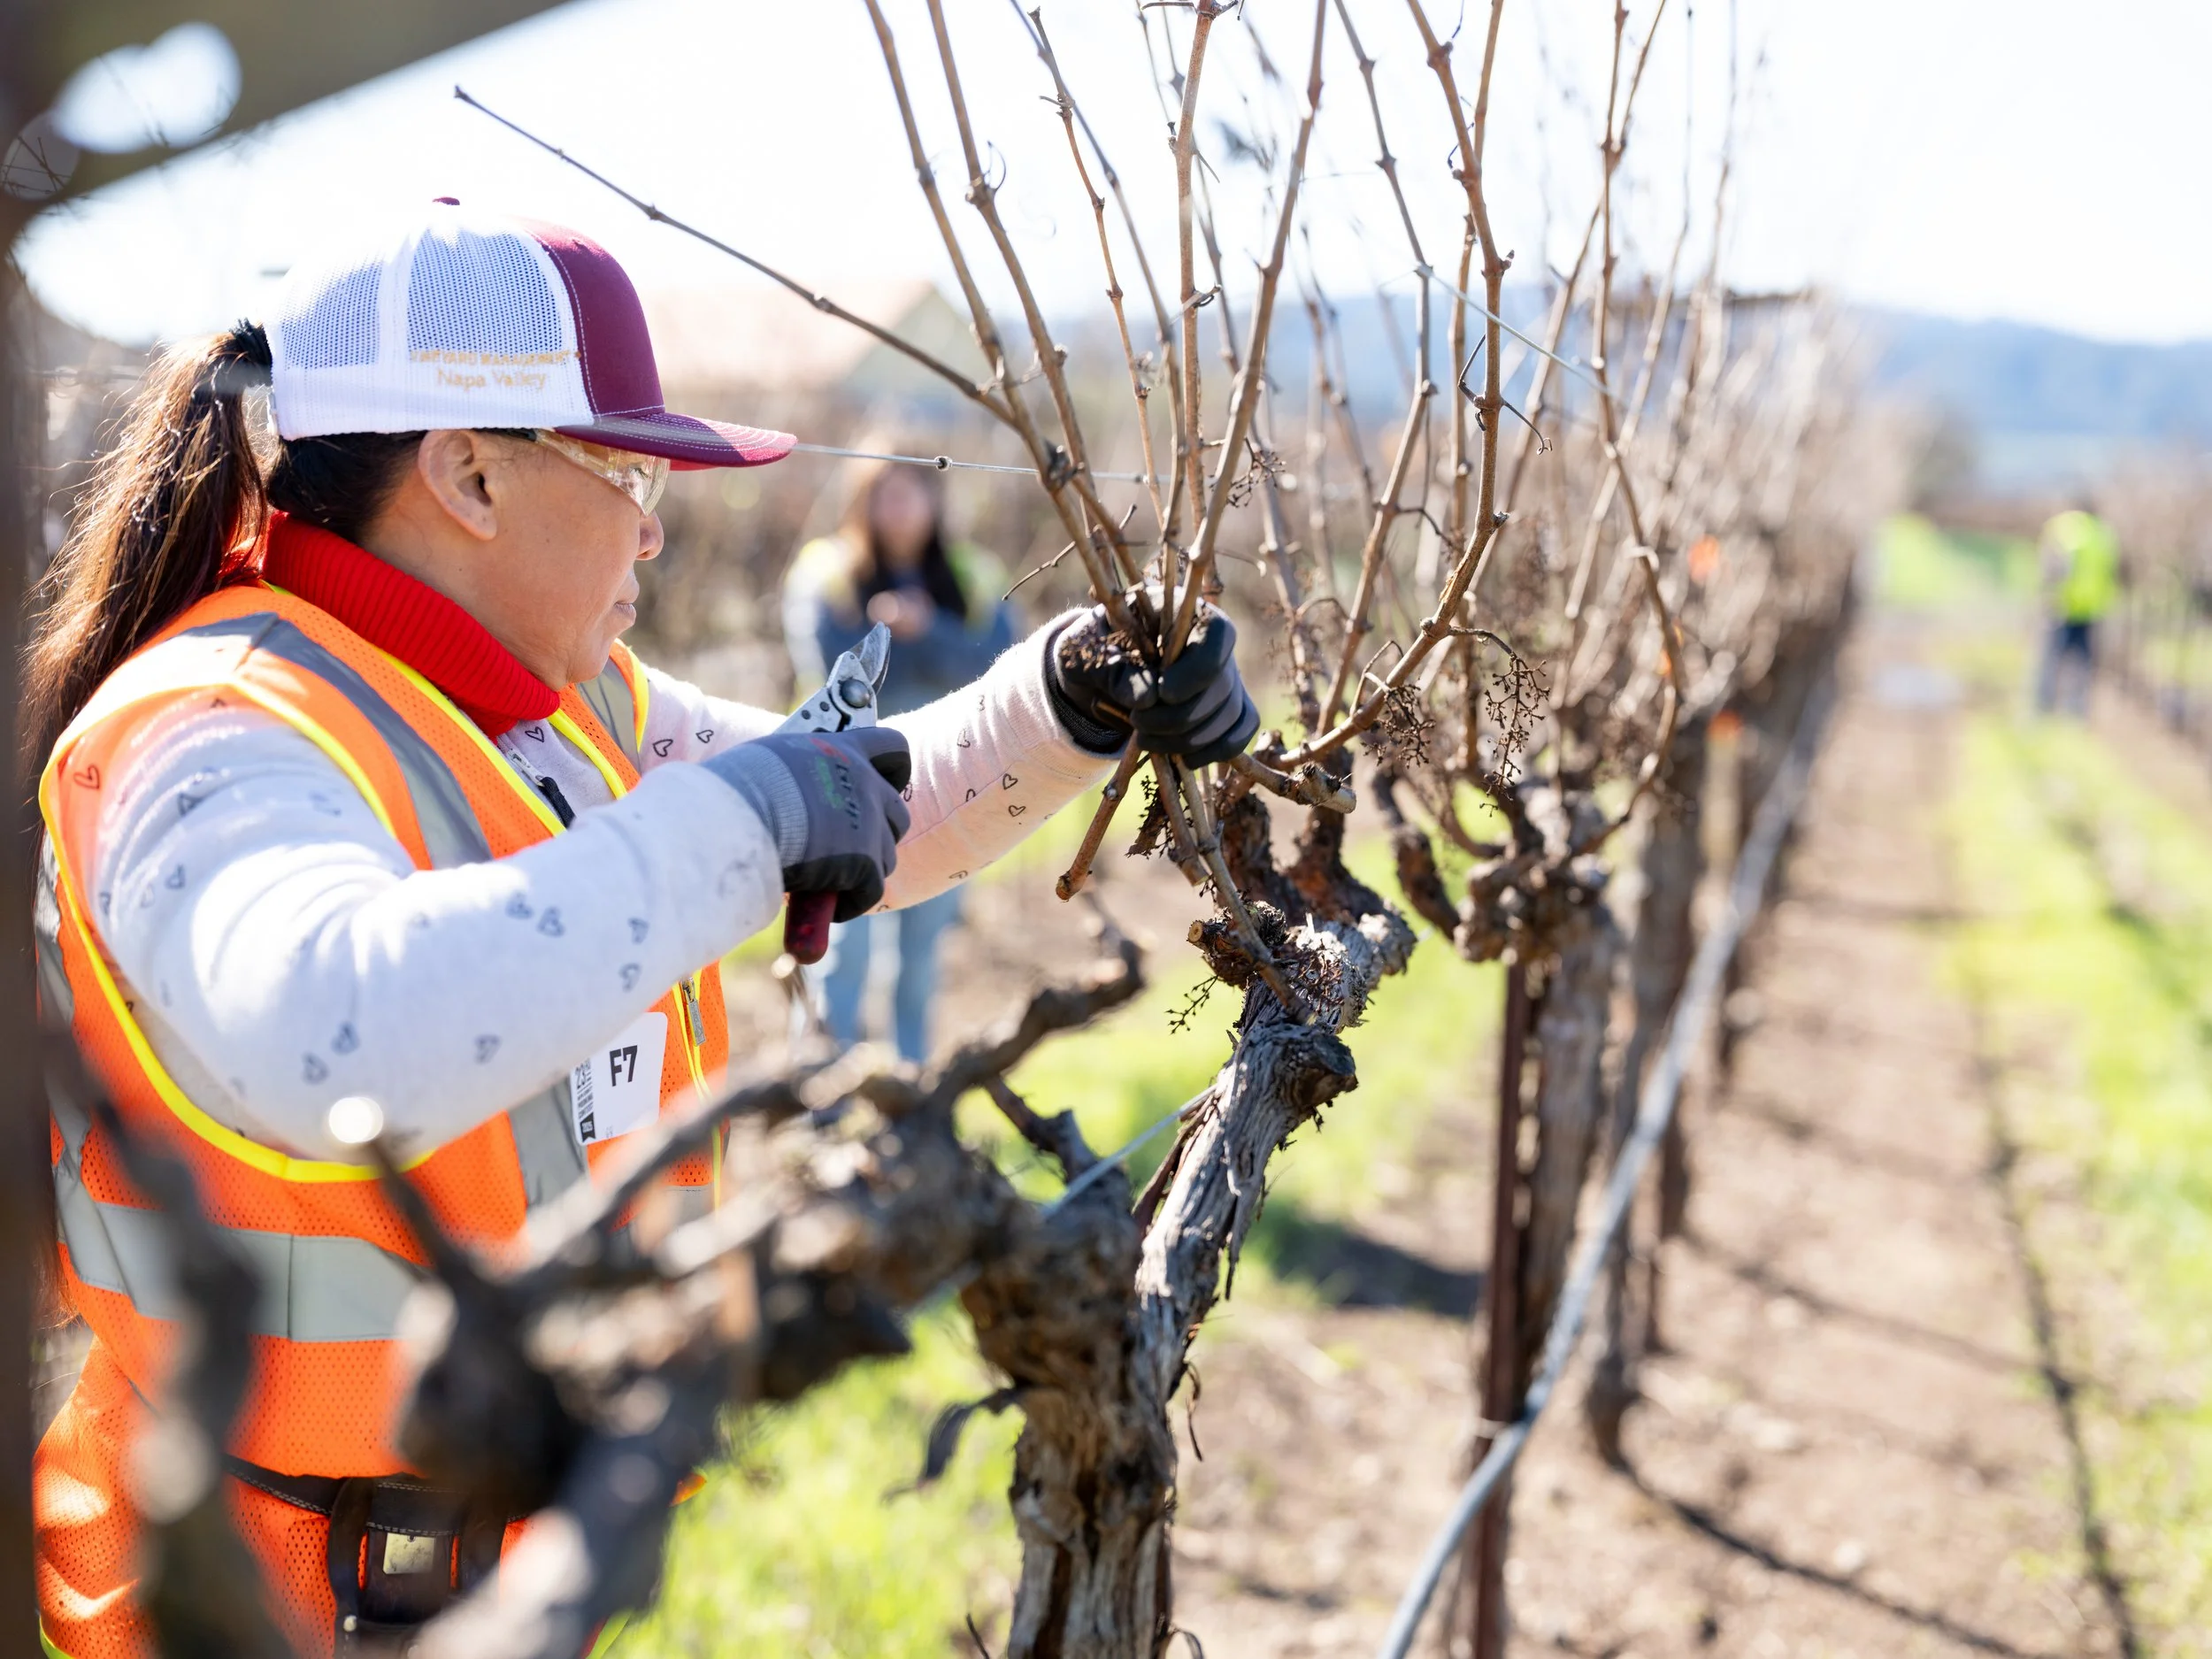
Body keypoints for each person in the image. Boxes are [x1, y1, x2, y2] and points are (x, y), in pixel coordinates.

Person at [27, 201, 1258, 1659]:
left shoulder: (552, 701)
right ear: (468, 474)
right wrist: (742, 828)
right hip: (264, 1589)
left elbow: (870, 808)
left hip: (478, 1556)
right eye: (624, 467)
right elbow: (335, 1030)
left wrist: (1073, 695)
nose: (658, 522)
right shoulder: (213, 735)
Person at [782, 456, 1015, 1061]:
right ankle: (823, 1091)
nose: (898, 508)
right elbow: (832, 668)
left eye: (909, 494)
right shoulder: (828, 573)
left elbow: (996, 668)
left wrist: (925, 630)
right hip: (840, 785)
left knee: (921, 946)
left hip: (942, 783)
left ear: (935, 500)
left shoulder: (971, 576)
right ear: (861, 503)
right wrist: (912, 643)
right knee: (841, 945)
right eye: (883, 495)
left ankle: (909, 1088)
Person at [2035, 506, 2120, 716]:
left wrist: (2048, 595)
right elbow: (2111, 573)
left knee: (2052, 659)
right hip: (2091, 610)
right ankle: (2076, 711)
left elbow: (2051, 568)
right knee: (2082, 663)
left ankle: (2043, 708)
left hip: (2063, 607)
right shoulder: (2103, 535)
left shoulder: (2064, 529)